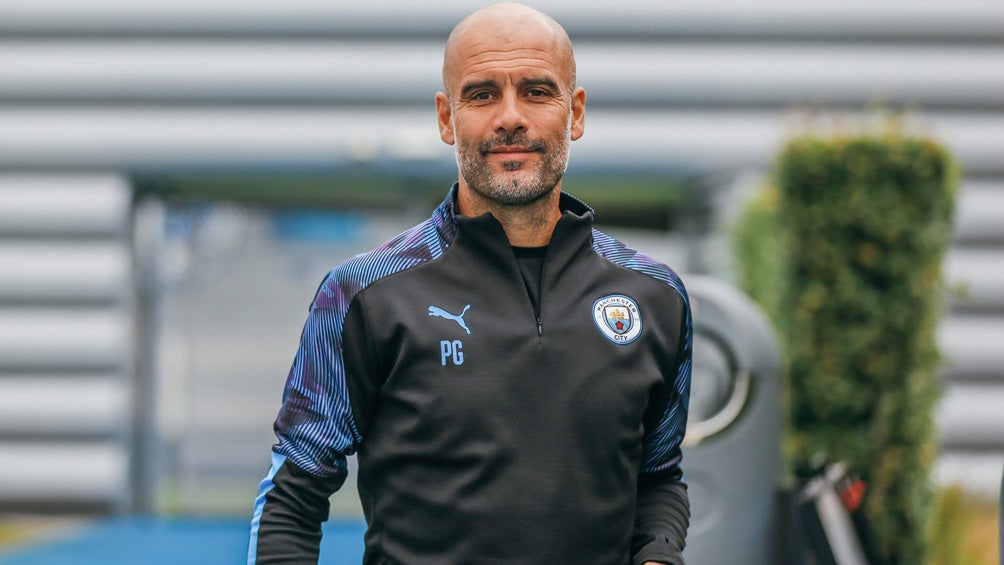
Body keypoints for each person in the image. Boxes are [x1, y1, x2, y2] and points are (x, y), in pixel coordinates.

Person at [247, 3, 692, 564]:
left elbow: (658, 478)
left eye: (536, 91)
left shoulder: (655, 297)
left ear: (575, 113)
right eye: (482, 94)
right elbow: (294, 497)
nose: (510, 117)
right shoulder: (364, 294)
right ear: (445, 117)